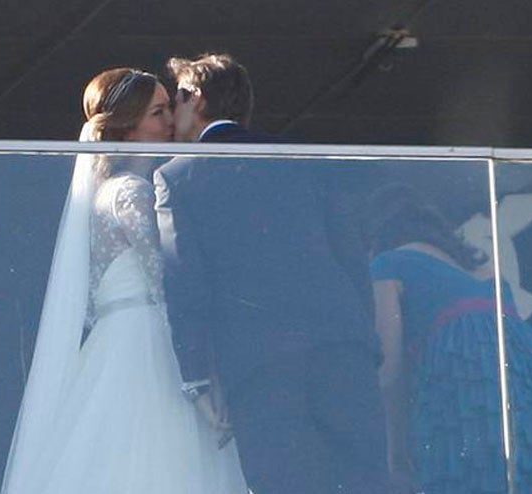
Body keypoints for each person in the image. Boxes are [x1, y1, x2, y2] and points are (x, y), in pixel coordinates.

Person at [0, 67, 248, 494]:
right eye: (158, 111)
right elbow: (167, 277)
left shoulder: (111, 189)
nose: (171, 119)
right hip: (150, 345)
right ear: (128, 129)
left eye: (169, 108)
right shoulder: (132, 192)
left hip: (119, 342)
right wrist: (204, 372)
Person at [155, 53, 389, 494]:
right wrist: (365, 340)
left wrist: (197, 377)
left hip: (260, 366)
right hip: (342, 349)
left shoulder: (178, 176)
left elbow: (185, 280)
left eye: (179, 100)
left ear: (197, 98)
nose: (174, 118)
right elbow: (351, 255)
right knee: (367, 480)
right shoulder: (301, 159)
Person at [367, 183, 532, 494]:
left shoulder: (388, 264)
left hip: (470, 406)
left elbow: (389, 372)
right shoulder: (488, 275)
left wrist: (396, 456)